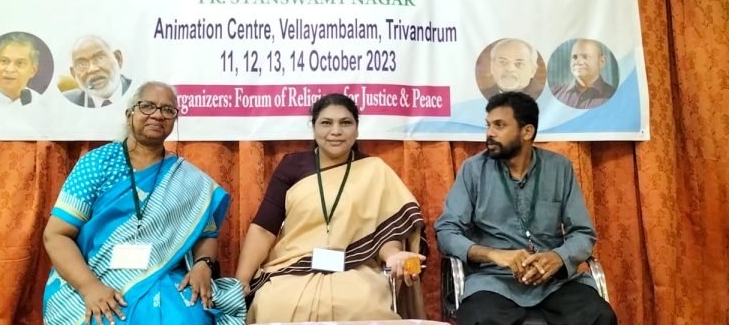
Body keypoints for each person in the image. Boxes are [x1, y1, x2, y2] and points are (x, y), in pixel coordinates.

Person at [43, 81, 244, 325]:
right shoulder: (97, 164)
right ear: (129, 114)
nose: (158, 115)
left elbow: (207, 234)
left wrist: (203, 265)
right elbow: (56, 235)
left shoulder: (188, 179)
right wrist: (89, 287)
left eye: (167, 110)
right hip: (98, 276)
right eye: (147, 106)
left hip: (164, 277)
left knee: (189, 318)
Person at [235, 93, 427, 323]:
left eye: (345, 123)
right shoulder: (291, 166)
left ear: (357, 129)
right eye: (326, 123)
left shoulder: (375, 170)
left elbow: (386, 233)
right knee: (272, 303)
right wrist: (241, 280)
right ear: (314, 128)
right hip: (293, 267)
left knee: (364, 302)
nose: (336, 131)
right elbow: (263, 229)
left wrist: (394, 256)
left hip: (356, 267)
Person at [434, 92, 617, 325]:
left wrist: (558, 257)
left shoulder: (559, 168)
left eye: (500, 125)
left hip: (554, 282)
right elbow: (446, 232)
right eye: (488, 125)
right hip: (494, 281)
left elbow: (583, 233)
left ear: (527, 131)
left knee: (600, 316)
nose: (490, 133)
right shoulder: (473, 170)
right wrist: (493, 254)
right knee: (480, 319)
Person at [63, 35, 132, 108]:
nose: (92, 69)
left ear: (118, 59)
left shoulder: (136, 91)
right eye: (81, 64)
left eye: (100, 58)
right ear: (74, 74)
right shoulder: (66, 103)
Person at [0, 31, 40, 106]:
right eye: (4, 61)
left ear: (33, 70)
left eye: (20, 63)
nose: (10, 69)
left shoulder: (40, 102)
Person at [551, 39, 616, 109]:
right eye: (574, 57)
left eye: (585, 57)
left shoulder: (614, 96)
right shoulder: (555, 93)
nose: (578, 62)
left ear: (601, 61)